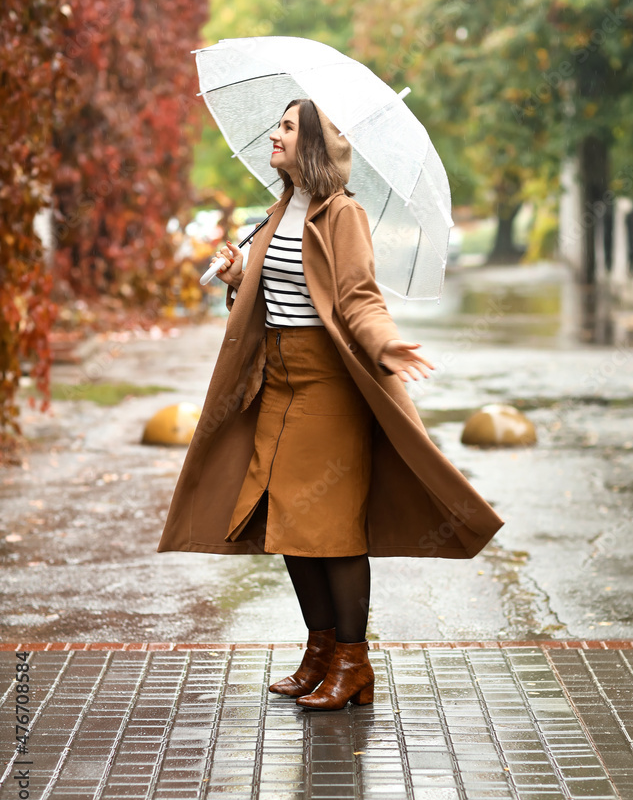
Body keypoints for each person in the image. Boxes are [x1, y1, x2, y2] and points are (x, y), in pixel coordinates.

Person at [158, 98, 504, 711]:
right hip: (279, 382)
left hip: (329, 387)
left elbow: (358, 298)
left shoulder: (342, 216)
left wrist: (385, 342)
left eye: (288, 127)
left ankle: (353, 661)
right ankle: (319, 654)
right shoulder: (278, 210)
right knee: (289, 526)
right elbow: (284, 288)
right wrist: (241, 274)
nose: (275, 134)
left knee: (333, 531)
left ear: (312, 144)